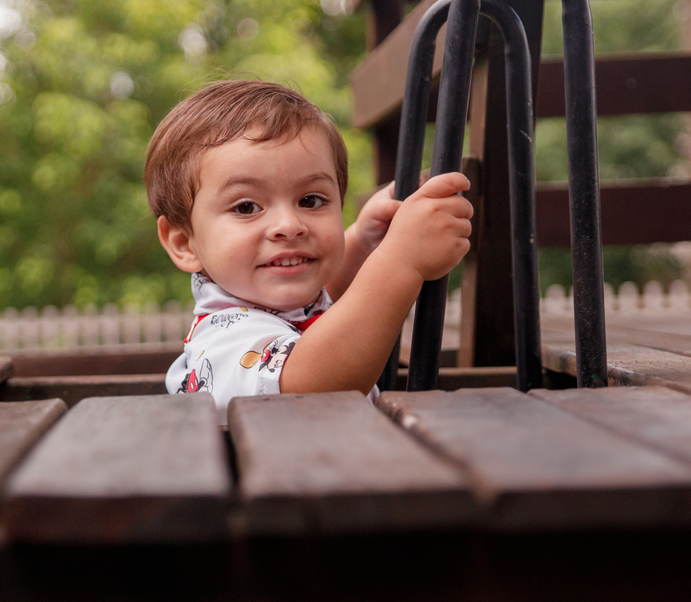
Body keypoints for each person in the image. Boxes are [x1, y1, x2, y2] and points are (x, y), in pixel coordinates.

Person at [145, 80, 472, 420]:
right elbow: (314, 386)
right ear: (184, 243)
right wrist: (402, 261)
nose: (289, 224)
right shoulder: (224, 342)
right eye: (246, 207)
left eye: (310, 200)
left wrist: (362, 241)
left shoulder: (273, 307)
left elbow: (318, 310)